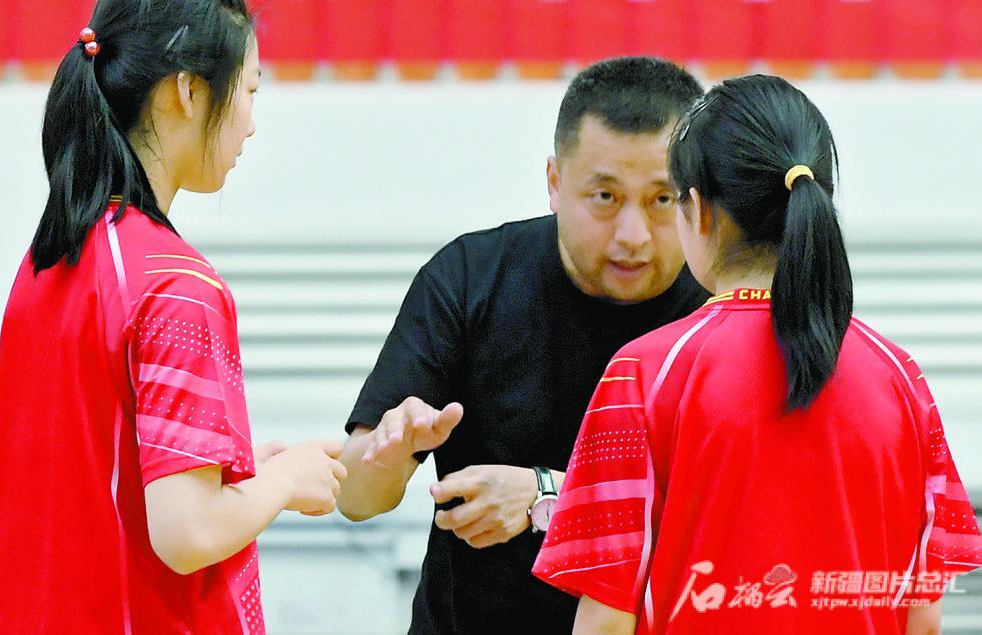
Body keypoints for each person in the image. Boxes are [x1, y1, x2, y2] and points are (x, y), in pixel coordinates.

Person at [532, 74, 982, 635]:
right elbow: (923, 617)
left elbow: (605, 621)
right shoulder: (899, 378)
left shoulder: (643, 375)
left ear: (698, 210)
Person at [0, 1, 346, 632]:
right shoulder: (176, 284)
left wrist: (246, 473)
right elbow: (188, 532)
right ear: (188, 90)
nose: (251, 125)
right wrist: (285, 483)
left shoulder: (45, 266)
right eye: (250, 91)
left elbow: (103, 482)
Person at [335, 57, 711, 633]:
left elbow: (723, 511)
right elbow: (356, 499)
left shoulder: (720, 310)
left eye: (662, 200)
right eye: (605, 197)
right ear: (555, 182)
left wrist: (545, 496)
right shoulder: (469, 278)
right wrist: (385, 456)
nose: (633, 235)